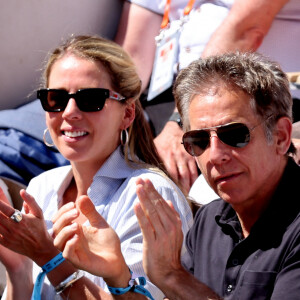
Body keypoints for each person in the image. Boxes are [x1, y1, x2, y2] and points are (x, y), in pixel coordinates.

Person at [0, 35, 192, 300]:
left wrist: (49, 258)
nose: (69, 112)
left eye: (90, 99)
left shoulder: (148, 194)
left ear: (127, 114)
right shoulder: (40, 187)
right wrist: (19, 268)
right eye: (55, 98)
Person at [132, 52, 300, 299]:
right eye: (199, 140)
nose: (215, 155)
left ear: (281, 136)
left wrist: (172, 277)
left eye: (234, 135)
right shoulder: (208, 221)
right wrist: (112, 276)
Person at [115, 0, 300, 194]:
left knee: (163, 179)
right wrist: (113, 117)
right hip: (166, 99)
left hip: (249, 104)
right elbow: (132, 56)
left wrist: (180, 123)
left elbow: (245, 30)